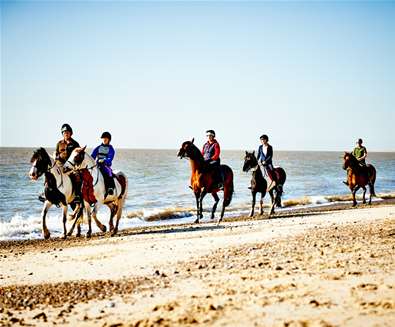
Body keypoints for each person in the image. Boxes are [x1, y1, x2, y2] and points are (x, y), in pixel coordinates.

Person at [38, 123, 81, 203]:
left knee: (77, 177)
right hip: (59, 164)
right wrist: (56, 156)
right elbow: (57, 152)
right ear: (62, 134)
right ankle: (45, 193)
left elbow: (78, 155)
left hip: (70, 166)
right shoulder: (59, 143)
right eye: (64, 133)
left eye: (67, 132)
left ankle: (77, 195)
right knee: (48, 174)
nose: (66, 134)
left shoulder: (75, 144)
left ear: (71, 133)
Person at [92, 132, 116, 196]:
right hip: (97, 165)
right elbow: (92, 157)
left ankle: (110, 188)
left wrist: (104, 160)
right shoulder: (98, 148)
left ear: (109, 140)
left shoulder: (111, 149)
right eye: (103, 138)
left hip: (105, 165)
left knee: (109, 172)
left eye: (106, 138)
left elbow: (110, 158)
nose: (104, 139)